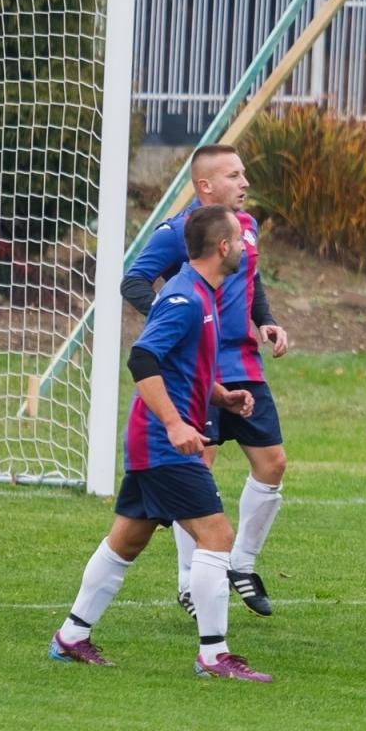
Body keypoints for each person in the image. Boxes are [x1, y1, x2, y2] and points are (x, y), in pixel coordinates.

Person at [49, 206, 272, 681]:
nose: (245, 246)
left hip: (155, 440)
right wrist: (174, 425)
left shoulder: (205, 293)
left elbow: (180, 365)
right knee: (218, 537)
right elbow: (143, 360)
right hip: (163, 443)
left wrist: (222, 397)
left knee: (127, 540)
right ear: (223, 247)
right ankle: (213, 655)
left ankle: (70, 637)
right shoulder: (184, 297)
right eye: (239, 239)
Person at [122, 144, 289, 618]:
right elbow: (134, 281)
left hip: (244, 363)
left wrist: (265, 321)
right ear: (205, 186)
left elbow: (250, 279)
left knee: (273, 463)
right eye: (234, 175)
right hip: (202, 369)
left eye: (243, 173)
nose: (245, 182)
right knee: (199, 469)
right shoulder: (180, 230)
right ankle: (189, 582)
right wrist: (179, 320)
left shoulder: (245, 227)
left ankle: (242, 563)